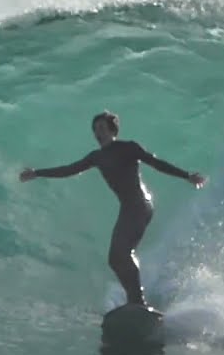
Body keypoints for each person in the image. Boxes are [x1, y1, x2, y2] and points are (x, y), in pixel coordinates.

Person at [20, 111, 206, 308]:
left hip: (140, 205)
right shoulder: (96, 157)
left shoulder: (128, 148)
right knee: (115, 259)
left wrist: (187, 175)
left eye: (101, 128)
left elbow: (156, 163)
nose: (97, 133)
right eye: (95, 129)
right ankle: (134, 300)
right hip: (128, 208)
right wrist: (37, 173)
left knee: (123, 253)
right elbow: (69, 170)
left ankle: (138, 301)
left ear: (112, 130)